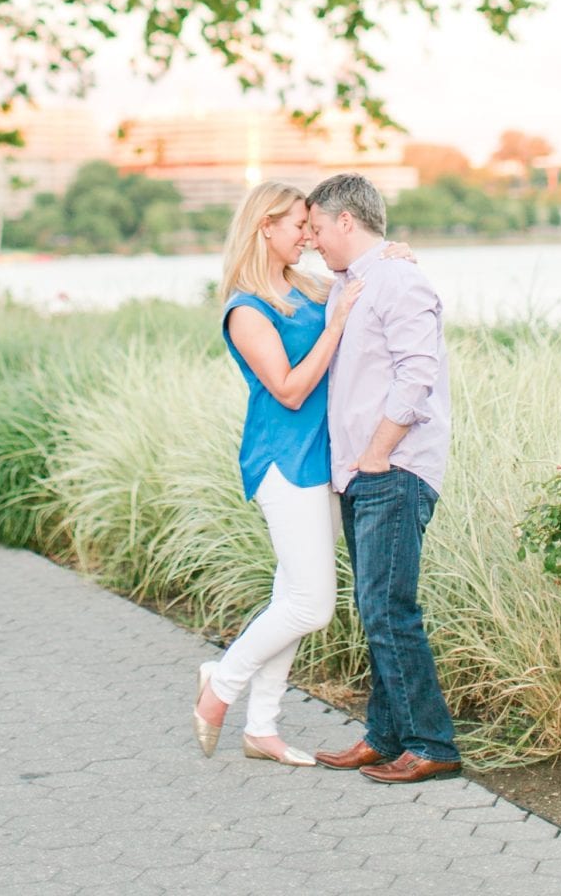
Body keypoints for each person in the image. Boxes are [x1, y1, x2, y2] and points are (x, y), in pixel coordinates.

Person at [192, 181, 411, 766]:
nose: (308, 237)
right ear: (265, 227)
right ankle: (222, 683)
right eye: (297, 226)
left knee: (290, 590)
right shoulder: (246, 308)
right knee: (312, 605)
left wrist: (393, 254)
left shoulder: (309, 286)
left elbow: (358, 267)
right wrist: (335, 324)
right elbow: (288, 391)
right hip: (283, 463)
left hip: (325, 461)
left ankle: (261, 727)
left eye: (313, 227)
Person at [306, 172, 460, 784]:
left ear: (347, 221)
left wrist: (377, 452)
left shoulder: (399, 278)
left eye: (317, 228)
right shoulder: (353, 281)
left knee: (390, 609)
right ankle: (385, 734)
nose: (314, 239)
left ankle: (433, 745)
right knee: (375, 607)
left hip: (392, 468)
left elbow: (417, 373)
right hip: (358, 472)